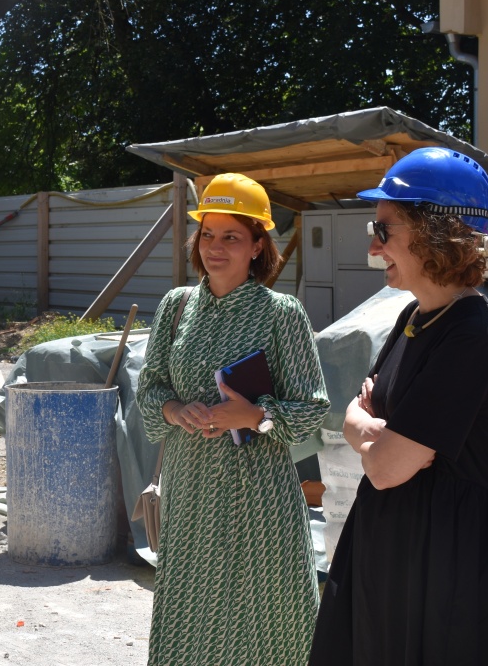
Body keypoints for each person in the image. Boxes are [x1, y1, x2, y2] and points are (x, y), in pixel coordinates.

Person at [308, 147, 488, 665]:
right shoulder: (413, 318)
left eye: (383, 230)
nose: (374, 248)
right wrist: (374, 432)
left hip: (453, 570)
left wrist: (372, 436)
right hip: (400, 552)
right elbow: (356, 415)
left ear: (435, 233)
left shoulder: (475, 336)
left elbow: (386, 467)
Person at [136, 173, 330, 666]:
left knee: (267, 616)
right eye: (207, 234)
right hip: (191, 491)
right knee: (191, 614)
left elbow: (312, 407)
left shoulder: (282, 313)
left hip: (259, 495)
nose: (215, 248)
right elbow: (150, 388)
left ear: (257, 245)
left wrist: (256, 415)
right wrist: (175, 409)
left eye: (231, 237)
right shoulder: (176, 307)